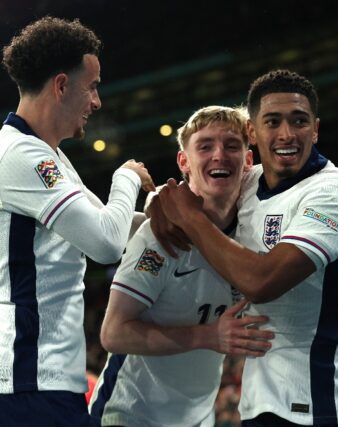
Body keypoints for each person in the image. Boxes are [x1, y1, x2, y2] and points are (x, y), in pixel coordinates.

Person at [157, 69, 338, 426]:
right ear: (252, 131)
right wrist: (159, 200)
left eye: (299, 121)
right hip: (262, 402)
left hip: (331, 405)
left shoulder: (335, 194)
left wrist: (190, 219)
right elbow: (192, 192)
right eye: (273, 122)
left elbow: (262, 282)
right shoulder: (248, 182)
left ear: (316, 129)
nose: (286, 134)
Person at [0, 17, 154, 427]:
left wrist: (174, 218)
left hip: (35, 388)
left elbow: (110, 224)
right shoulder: (20, 156)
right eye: (93, 86)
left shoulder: (46, 155)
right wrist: (126, 177)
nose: (97, 101)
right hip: (23, 391)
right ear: (62, 86)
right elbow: (105, 243)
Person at [88, 106, 274, 427]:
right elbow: (114, 333)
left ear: (248, 161)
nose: (219, 155)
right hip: (129, 415)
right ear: (183, 162)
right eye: (205, 146)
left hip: (198, 419)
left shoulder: (254, 231)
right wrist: (208, 336)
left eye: (232, 146)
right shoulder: (161, 233)